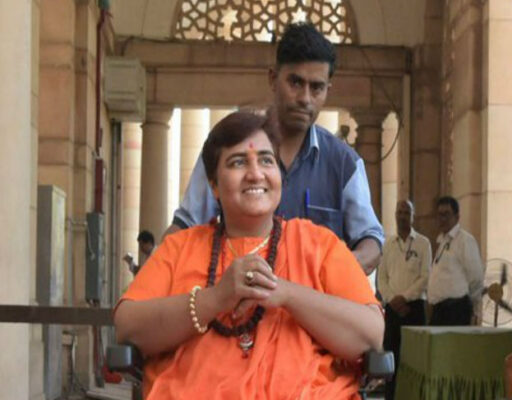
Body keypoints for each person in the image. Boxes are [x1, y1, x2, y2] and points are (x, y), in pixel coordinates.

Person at [113, 111, 384, 400]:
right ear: (214, 185)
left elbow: (370, 335)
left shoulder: (320, 245)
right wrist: (216, 298)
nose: (256, 174)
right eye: (238, 162)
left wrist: (286, 294)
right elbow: (127, 327)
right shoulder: (179, 248)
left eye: (267, 160)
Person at [163, 23, 384, 274]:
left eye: (316, 87)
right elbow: (185, 226)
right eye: (296, 82)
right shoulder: (228, 145)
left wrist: (329, 275)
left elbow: (371, 243)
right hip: (239, 295)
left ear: (327, 90)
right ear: (272, 78)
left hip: (316, 298)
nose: (305, 98)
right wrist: (159, 270)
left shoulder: (344, 163)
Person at [377, 199, 431, 400]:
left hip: (414, 309)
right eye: (399, 212)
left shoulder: (423, 243)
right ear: (395, 215)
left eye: (406, 212)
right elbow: (381, 279)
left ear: (413, 216)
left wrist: (405, 297)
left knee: (415, 360)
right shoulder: (387, 245)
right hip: (393, 310)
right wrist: (393, 300)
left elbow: (425, 276)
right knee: (392, 360)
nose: (402, 216)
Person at [427, 196, 484, 326]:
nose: (442, 219)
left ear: (457, 217)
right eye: (440, 215)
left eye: (446, 214)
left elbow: (476, 277)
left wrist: (470, 304)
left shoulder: (465, 240)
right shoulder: (442, 240)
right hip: (439, 310)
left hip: (456, 309)